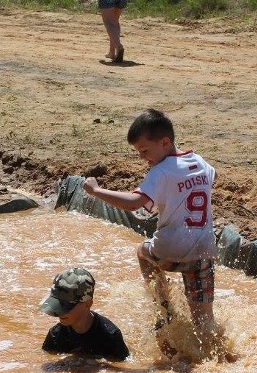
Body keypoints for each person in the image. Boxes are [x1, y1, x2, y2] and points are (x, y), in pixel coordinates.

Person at [83, 109, 217, 353]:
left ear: (164, 142)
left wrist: (96, 190)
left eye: (145, 151)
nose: (143, 158)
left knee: (142, 252)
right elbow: (201, 185)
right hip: (204, 251)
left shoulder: (160, 172)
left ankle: (164, 311)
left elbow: (135, 203)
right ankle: (216, 355)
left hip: (170, 251)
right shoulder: (203, 164)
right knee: (204, 320)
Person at [39, 267, 130, 361]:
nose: (60, 312)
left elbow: (122, 364)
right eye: (58, 305)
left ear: (88, 304)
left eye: (66, 306)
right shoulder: (55, 335)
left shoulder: (110, 336)